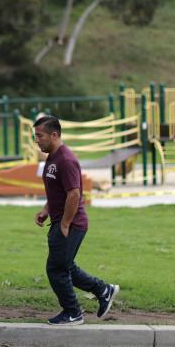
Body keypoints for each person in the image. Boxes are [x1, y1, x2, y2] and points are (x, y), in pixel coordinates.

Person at [33, 115, 120, 326]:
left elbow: (74, 194)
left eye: (40, 136)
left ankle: (72, 312)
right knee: (66, 266)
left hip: (71, 224)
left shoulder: (66, 160)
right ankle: (103, 290)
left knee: (56, 270)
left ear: (54, 135)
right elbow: (58, 191)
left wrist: (64, 224)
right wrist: (46, 210)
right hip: (61, 221)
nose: (36, 140)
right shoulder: (52, 157)